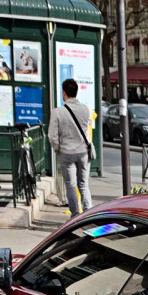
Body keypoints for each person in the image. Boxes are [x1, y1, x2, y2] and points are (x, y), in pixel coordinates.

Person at [48, 77, 96, 217]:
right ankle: (88, 214)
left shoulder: (57, 112)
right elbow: (88, 128)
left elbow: (52, 136)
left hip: (66, 153)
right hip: (83, 152)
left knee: (70, 184)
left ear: (64, 93)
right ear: (77, 92)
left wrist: (57, 148)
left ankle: (75, 215)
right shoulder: (87, 110)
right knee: (83, 184)